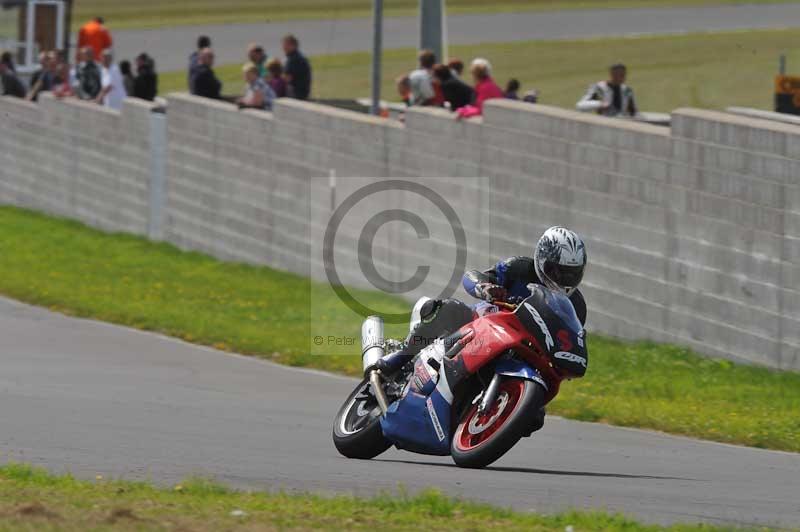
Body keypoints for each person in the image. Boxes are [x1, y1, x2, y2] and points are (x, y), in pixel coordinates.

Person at [373, 227, 588, 432]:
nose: (562, 279)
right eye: (556, 271)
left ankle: (484, 423)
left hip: (526, 351)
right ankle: (398, 359)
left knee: (535, 416)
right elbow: (474, 276)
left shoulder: (577, 306)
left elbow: (568, 339)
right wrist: (485, 288)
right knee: (449, 309)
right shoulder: (519, 268)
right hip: (484, 322)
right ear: (541, 260)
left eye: (571, 274)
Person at [282, 34, 311, 100]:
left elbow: (287, 78)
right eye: (284, 45)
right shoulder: (298, 56)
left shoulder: (294, 59)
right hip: (303, 92)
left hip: (297, 94)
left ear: (293, 46)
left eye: (286, 45)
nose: (284, 47)